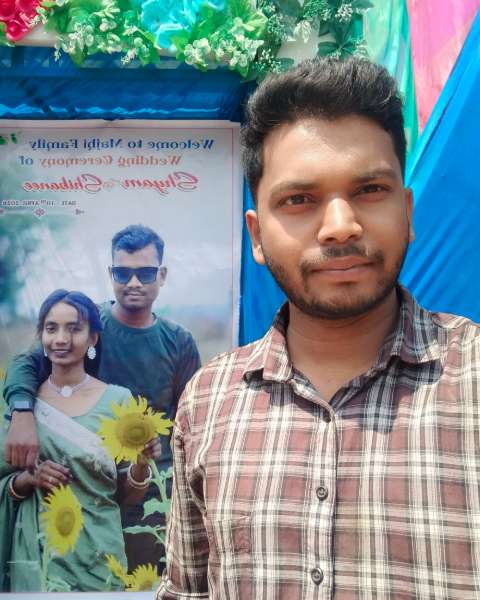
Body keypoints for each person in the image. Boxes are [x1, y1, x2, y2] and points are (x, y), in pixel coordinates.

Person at [156, 57, 480, 599]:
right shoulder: (208, 402)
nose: (340, 226)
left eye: (369, 189)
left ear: (407, 211)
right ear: (257, 236)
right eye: (299, 200)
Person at [3, 224, 201, 569]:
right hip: (82, 490)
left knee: (142, 583)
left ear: (162, 275)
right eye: (123, 273)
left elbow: (191, 422)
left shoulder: (179, 341)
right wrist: (22, 413)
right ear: (111, 274)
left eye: (145, 273)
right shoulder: (84, 324)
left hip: (152, 497)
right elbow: (25, 364)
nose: (134, 282)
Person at [0, 289, 160, 591]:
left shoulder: (118, 401)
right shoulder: (23, 406)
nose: (61, 339)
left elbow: (126, 498)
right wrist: (29, 479)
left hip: (99, 561)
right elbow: (5, 480)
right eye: (51, 328)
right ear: (41, 336)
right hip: (37, 561)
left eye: (74, 329)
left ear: (92, 339)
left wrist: (142, 463)